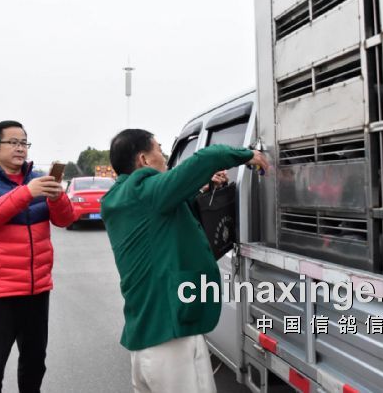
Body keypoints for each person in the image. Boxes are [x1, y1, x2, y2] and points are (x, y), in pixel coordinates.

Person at [101, 129, 270, 393]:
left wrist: (201, 186)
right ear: (144, 159)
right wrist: (249, 154)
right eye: (159, 150)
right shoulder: (144, 191)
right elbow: (209, 156)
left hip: (148, 339)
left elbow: (162, 216)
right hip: (171, 341)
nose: (164, 157)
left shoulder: (121, 197)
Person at [0, 120, 75, 393]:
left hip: (37, 289)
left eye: (24, 143)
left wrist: (57, 197)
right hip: (0, 292)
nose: (20, 148)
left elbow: (65, 220)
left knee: (35, 363)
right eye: (13, 142)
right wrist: (27, 193)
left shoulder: (38, 179)